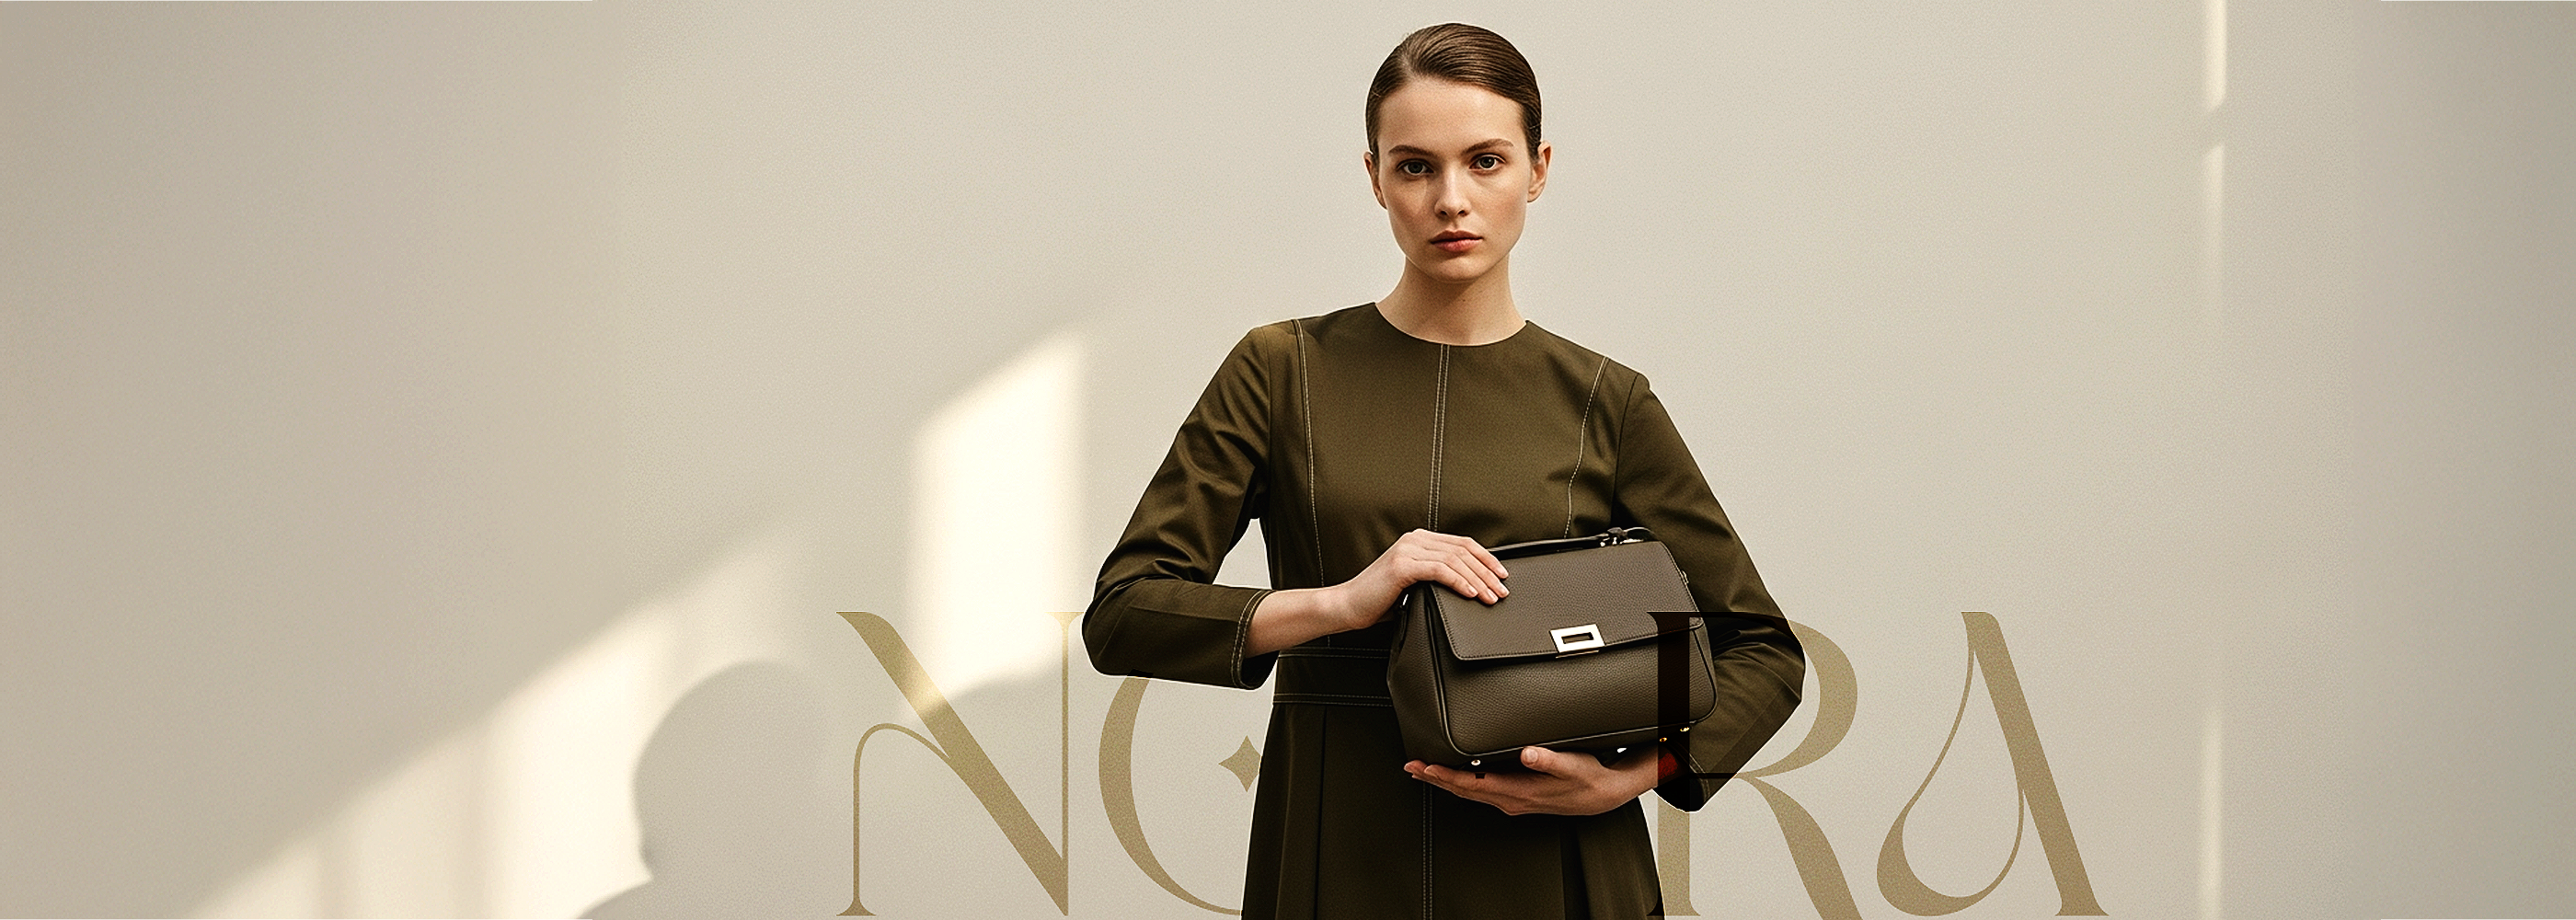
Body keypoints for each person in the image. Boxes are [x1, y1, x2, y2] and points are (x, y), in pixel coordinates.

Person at [1084, 22, 1805, 919]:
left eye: (1485, 162)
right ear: (1375, 178)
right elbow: (1126, 611)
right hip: (1338, 850)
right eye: (1416, 167)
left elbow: (1762, 649)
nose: (1450, 200)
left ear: (1537, 169)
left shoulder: (1604, 400)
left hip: (1557, 866)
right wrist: (1341, 603)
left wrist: (1634, 775)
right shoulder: (1280, 370)